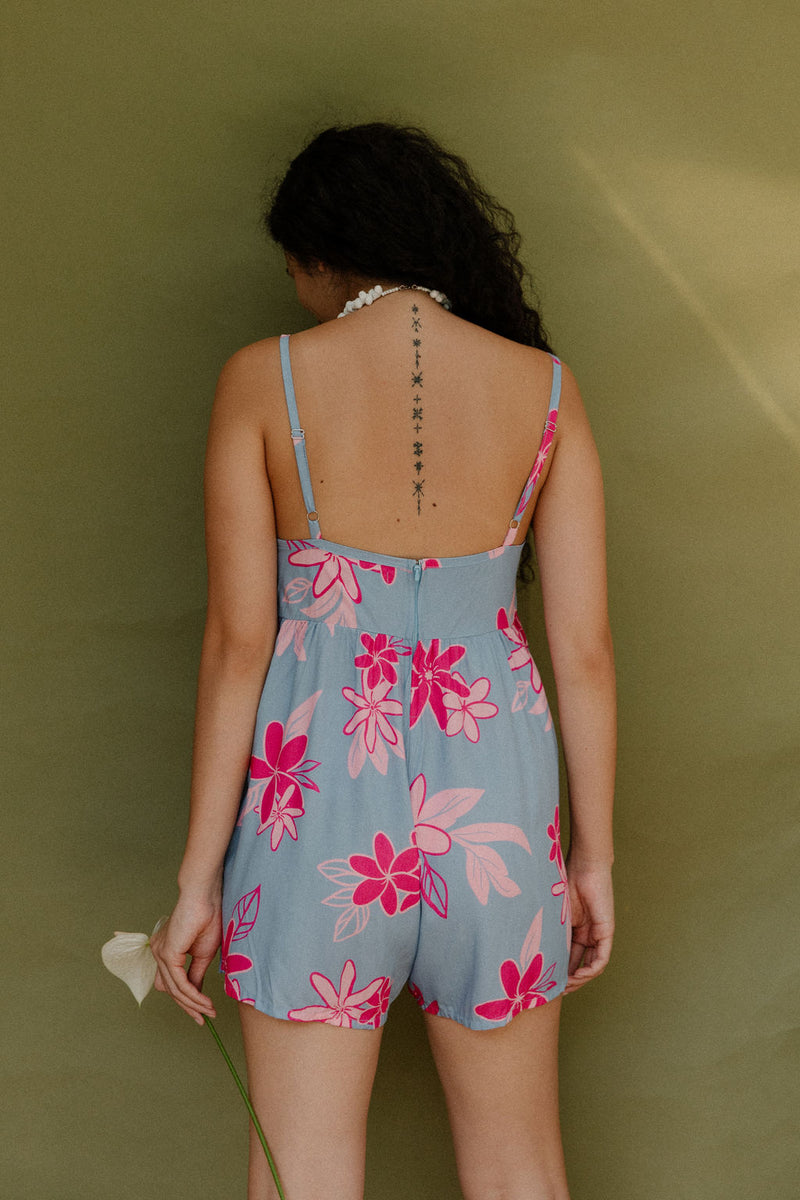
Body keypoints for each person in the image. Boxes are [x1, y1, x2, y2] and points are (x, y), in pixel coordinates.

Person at [150, 122, 616, 1200]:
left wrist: (194, 878)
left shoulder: (260, 380)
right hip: (497, 813)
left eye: (293, 267)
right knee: (518, 1173)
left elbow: (236, 647)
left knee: (301, 1173)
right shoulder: (544, 388)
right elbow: (582, 652)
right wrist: (588, 862)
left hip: (316, 815)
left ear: (324, 253)